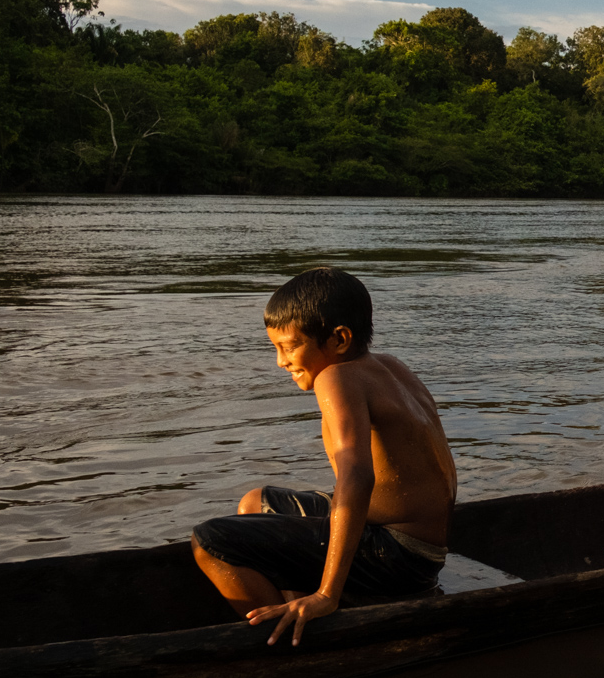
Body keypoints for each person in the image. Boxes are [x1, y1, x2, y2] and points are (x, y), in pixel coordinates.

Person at [191, 267, 458, 645]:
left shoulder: (337, 378)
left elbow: (357, 479)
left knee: (210, 541)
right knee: (255, 503)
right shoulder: (391, 367)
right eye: (276, 348)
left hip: (398, 558)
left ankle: (290, 643)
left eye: (289, 346)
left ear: (339, 339)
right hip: (421, 553)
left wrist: (327, 594)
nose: (280, 361)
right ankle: (296, 605)